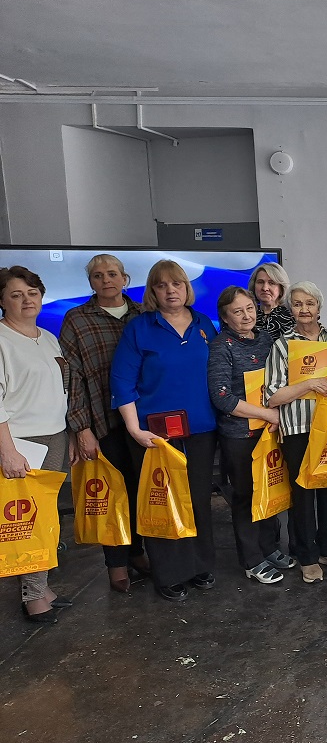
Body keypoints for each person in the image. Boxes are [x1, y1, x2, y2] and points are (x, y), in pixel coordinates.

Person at [110, 259, 219, 603]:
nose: (171, 290)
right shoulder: (139, 329)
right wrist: (134, 428)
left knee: (198, 500)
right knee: (162, 503)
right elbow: (122, 381)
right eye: (162, 285)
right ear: (153, 291)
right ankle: (170, 574)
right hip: (154, 435)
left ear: (187, 288)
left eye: (177, 283)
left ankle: (199, 566)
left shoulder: (204, 324)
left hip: (201, 430)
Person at [59, 254, 147, 594]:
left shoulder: (143, 313)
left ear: (125, 278)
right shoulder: (77, 320)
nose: (106, 280)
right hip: (102, 420)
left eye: (112, 274)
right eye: (97, 276)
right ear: (90, 282)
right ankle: (117, 564)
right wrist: (82, 428)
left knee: (141, 489)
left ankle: (138, 552)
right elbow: (72, 379)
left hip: (144, 419)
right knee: (112, 493)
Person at [0, 266, 72, 623]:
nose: (26, 300)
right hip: (22, 443)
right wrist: (8, 452)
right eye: (16, 295)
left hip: (54, 437)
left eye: (32, 293)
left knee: (47, 519)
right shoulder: (1, 339)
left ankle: (41, 587)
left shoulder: (47, 337)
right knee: (27, 523)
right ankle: (32, 597)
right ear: (2, 301)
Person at [263, 281, 327, 584]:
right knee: (303, 495)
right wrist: (309, 384)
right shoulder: (282, 345)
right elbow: (272, 396)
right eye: (297, 304)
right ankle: (307, 556)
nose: (304, 309)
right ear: (290, 309)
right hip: (298, 429)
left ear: (319, 307)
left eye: (310, 303)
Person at [209, 286, 292, 585]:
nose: (246, 316)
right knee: (245, 496)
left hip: (267, 432)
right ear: (225, 317)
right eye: (237, 311)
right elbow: (222, 397)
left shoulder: (266, 339)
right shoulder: (222, 346)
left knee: (269, 489)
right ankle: (252, 560)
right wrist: (267, 414)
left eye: (249, 309)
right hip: (240, 434)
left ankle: (269, 548)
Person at [249, 262, 295, 341]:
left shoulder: (292, 316)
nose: (265, 288)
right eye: (260, 282)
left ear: (281, 288)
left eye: (271, 283)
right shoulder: (248, 315)